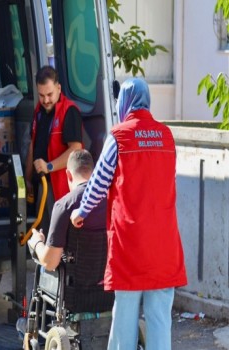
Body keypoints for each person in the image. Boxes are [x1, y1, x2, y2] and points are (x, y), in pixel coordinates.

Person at [70, 77, 187, 350]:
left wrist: (82, 211)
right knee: (159, 318)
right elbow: (169, 182)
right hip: (164, 243)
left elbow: (99, 182)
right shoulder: (167, 136)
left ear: (124, 102)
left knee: (125, 316)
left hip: (131, 242)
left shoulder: (119, 136)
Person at [27, 149, 106, 271]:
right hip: (107, 285)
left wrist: (37, 243)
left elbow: (50, 263)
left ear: (68, 175)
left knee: (43, 268)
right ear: (93, 172)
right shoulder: (112, 200)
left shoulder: (64, 205)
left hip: (74, 286)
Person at [25, 65, 83, 230]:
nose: (46, 100)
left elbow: (76, 150)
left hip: (61, 186)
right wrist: (28, 179)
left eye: (49, 94)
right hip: (43, 184)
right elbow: (32, 145)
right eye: (41, 95)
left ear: (59, 88)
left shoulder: (69, 111)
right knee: (43, 233)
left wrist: (49, 166)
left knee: (57, 236)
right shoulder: (39, 111)